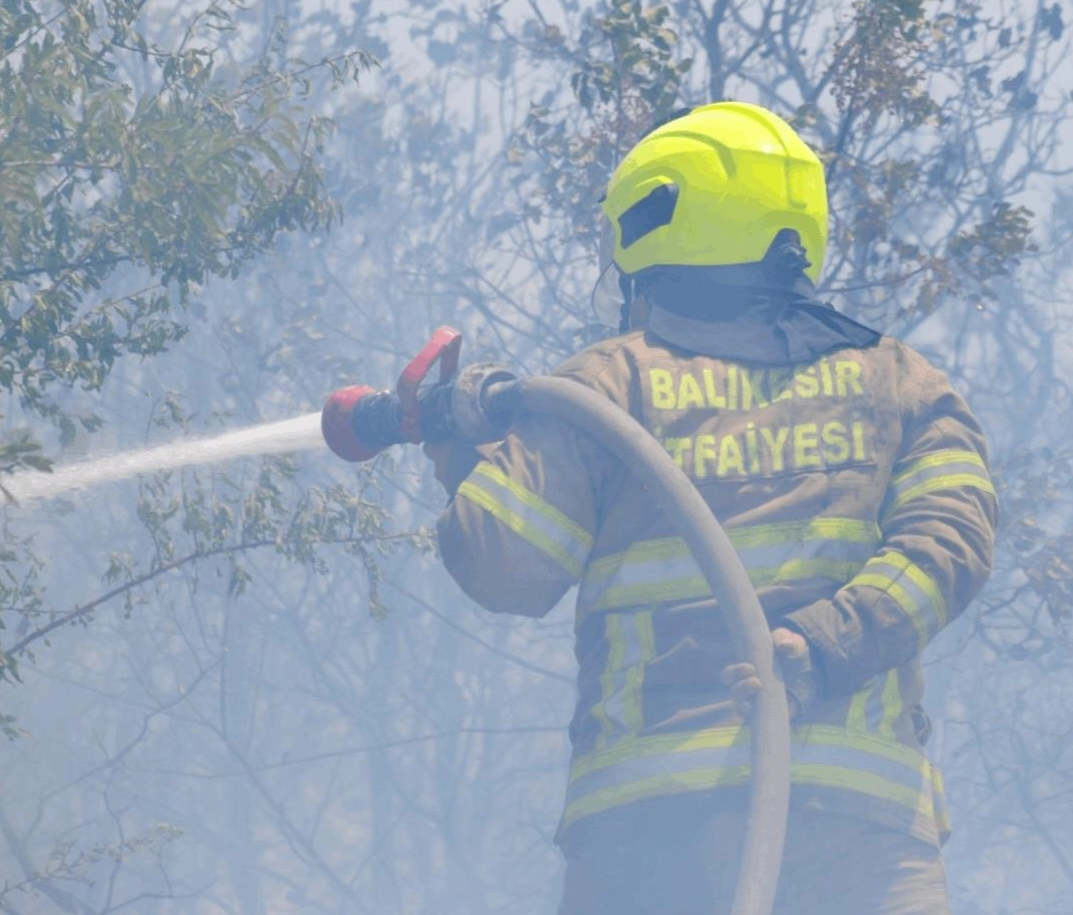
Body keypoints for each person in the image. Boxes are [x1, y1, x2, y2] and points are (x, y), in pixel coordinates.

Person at [426, 101, 997, 915]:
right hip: (856, 836)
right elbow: (952, 546)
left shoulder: (607, 387)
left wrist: (454, 450)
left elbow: (504, 567)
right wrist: (820, 645)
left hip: (652, 827)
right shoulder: (903, 384)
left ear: (654, 228)